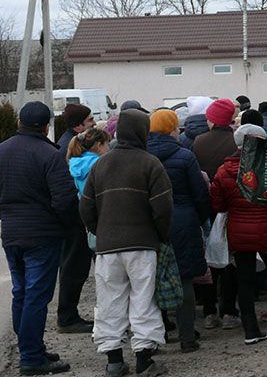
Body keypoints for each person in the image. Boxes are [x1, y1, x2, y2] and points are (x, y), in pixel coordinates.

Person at [80, 109, 173, 377]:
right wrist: (160, 235)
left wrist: (99, 230)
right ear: (143, 131)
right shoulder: (151, 163)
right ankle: (144, 360)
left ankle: (114, 361)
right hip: (142, 245)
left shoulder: (101, 164)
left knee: (110, 301)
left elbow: (85, 207)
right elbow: (164, 208)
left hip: (108, 247)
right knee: (143, 300)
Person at [0, 102, 78, 375]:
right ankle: (32, 357)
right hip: (43, 235)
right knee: (36, 295)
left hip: (11, 232)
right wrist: (66, 227)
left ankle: (30, 347)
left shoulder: (2, 150)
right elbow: (65, 198)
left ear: (20, 121)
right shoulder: (49, 153)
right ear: (46, 126)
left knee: (21, 292)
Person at [210, 124, 267, 345]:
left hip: (238, 231)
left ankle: (251, 330)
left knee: (243, 281)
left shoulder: (223, 171)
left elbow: (218, 204)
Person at [147, 109, 210, 353]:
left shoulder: (142, 155)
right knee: (184, 278)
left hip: (151, 222)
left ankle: (156, 333)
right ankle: (187, 337)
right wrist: (199, 218)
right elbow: (200, 193)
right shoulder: (184, 156)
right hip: (183, 219)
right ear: (172, 128)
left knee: (150, 279)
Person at [192, 97, 241, 330]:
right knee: (230, 260)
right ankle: (230, 309)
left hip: (208, 207)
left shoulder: (198, 142)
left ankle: (210, 310)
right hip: (232, 207)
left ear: (212, 119)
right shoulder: (236, 141)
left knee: (209, 258)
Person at [52, 101, 99, 334]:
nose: (94, 123)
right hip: (74, 219)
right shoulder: (67, 149)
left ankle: (69, 315)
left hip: (76, 216)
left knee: (76, 266)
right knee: (73, 267)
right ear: (79, 126)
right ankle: (67, 317)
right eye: (90, 120)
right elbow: (66, 189)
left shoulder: (68, 144)